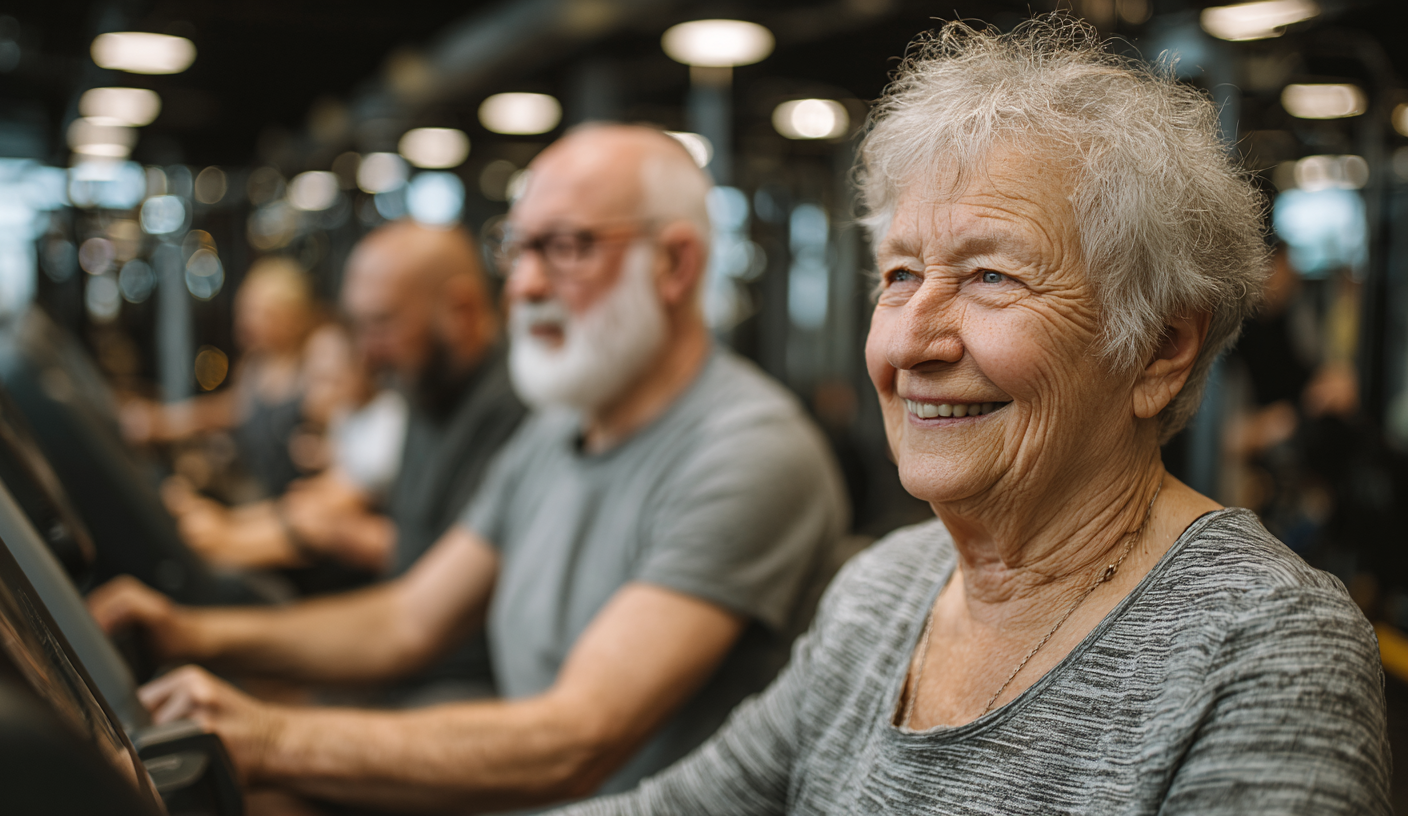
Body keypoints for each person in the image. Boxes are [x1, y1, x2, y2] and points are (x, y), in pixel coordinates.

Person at [555, 19, 1391, 816]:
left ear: (1160, 349)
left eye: (990, 275)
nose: (912, 341)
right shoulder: (882, 592)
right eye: (900, 275)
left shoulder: (1267, 648)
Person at [89, 124, 850, 812]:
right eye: (518, 249)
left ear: (675, 263)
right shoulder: (554, 433)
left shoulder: (747, 450)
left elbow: (576, 739)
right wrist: (190, 632)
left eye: (568, 246)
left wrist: (273, 740)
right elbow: (406, 619)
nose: (523, 285)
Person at [165, 323, 410, 575]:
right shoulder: (347, 415)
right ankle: (225, 531)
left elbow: (339, 500)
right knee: (303, 504)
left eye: (329, 377)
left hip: (387, 552)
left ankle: (227, 546)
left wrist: (230, 532)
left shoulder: (387, 418)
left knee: (311, 515)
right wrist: (231, 520)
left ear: (362, 365)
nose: (317, 387)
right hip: (333, 518)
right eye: (314, 376)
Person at [122, 257, 320, 498]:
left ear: (293, 317)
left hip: (297, 501)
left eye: (263, 313)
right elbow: (232, 409)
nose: (246, 322)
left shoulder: (315, 362)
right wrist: (163, 422)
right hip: (261, 498)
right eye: (246, 310)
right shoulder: (255, 363)